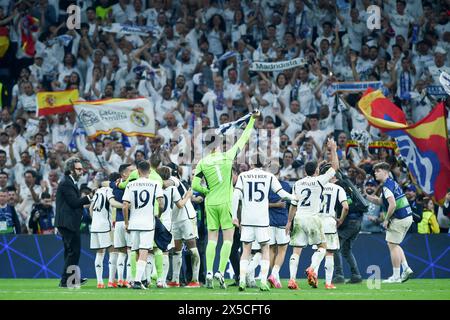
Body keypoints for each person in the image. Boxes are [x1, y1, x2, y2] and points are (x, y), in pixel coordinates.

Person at [192, 111, 259, 289]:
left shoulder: (202, 162)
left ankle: (207, 273)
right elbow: (244, 138)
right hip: (226, 203)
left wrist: (207, 190)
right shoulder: (228, 156)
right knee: (227, 239)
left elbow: (195, 185)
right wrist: (252, 119)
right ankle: (220, 272)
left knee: (212, 239)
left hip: (210, 203)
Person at [232, 154, 295, 292]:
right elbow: (283, 194)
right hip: (262, 219)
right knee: (265, 249)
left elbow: (236, 195)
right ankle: (262, 281)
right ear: (264, 164)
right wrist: (295, 198)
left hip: (247, 218)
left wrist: (234, 216)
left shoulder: (243, 176)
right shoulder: (269, 176)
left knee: (246, 250)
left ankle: (242, 280)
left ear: (251, 163)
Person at [286, 138, 339, 290]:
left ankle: (292, 280)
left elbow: (293, 204)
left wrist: (289, 222)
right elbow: (335, 167)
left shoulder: (297, 183)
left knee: (296, 250)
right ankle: (312, 268)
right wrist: (333, 149)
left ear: (304, 172)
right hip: (313, 219)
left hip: (299, 218)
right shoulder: (319, 181)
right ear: (316, 171)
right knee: (322, 247)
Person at [365, 162, 414, 283]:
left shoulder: (386, 186)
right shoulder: (391, 183)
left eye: (378, 171)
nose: (375, 173)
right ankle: (406, 268)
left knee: (392, 245)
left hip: (399, 218)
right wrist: (366, 196)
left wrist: (386, 220)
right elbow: (382, 201)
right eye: (375, 171)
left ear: (385, 172)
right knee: (395, 245)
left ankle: (396, 276)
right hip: (407, 217)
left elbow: (392, 204)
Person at [122, 160, 164, 290]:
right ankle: (138, 281)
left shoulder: (131, 184)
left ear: (138, 171)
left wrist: (127, 222)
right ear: (150, 171)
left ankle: (134, 279)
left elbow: (125, 206)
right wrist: (159, 215)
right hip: (147, 222)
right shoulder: (155, 184)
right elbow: (161, 203)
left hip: (134, 222)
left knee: (134, 250)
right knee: (144, 250)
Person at [157, 166, 200, 288]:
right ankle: (175, 280)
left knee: (192, 247)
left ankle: (195, 280)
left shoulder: (173, 180)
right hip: (173, 219)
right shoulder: (159, 187)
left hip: (187, 217)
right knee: (176, 250)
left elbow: (166, 183)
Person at [55, 157, 92, 288]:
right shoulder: (66, 183)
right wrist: (89, 197)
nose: (82, 171)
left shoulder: (69, 182)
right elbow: (74, 203)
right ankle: (66, 281)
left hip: (67, 222)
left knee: (70, 251)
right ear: (71, 170)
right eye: (79, 169)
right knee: (73, 252)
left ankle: (71, 278)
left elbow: (73, 203)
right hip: (68, 222)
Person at [316, 163, 349, 289]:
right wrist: (340, 219)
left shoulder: (316, 186)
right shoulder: (337, 188)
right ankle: (328, 283)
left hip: (317, 221)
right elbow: (346, 207)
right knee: (329, 252)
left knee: (319, 251)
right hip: (329, 221)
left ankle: (313, 273)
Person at [266, 168, 292, 289]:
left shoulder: (266, 186)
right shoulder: (286, 186)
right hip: (282, 222)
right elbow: (292, 205)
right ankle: (274, 274)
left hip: (269, 222)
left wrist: (273, 205)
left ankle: (274, 278)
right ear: (279, 173)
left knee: (271, 250)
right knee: (282, 251)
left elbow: (262, 204)